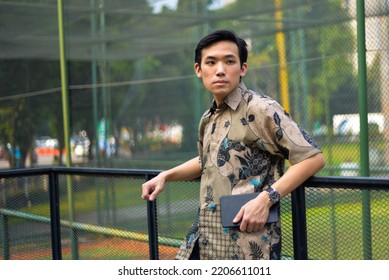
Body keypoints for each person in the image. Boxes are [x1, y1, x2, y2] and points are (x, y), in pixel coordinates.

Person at [142, 30, 325, 260]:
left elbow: (312, 157)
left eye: (229, 61)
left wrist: (266, 199)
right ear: (198, 70)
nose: (220, 70)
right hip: (204, 240)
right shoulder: (209, 117)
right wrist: (165, 176)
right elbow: (207, 161)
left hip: (247, 248)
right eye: (211, 62)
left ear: (242, 68)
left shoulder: (260, 109)